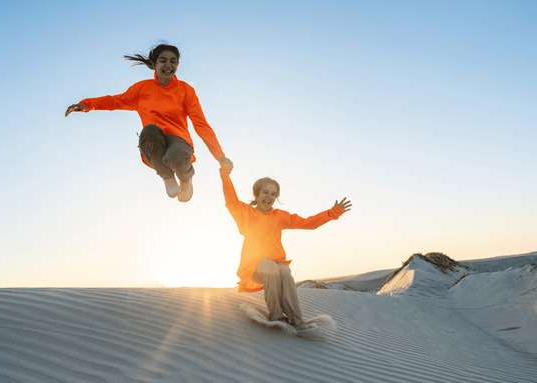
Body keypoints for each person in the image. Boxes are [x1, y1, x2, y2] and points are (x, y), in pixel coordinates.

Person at [65, 43, 233, 202]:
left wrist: (221, 157)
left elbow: (201, 125)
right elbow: (115, 101)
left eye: (173, 61)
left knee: (175, 155)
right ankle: (167, 176)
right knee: (149, 131)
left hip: (179, 142)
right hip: (154, 144)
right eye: (163, 60)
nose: (168, 65)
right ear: (154, 64)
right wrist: (87, 104)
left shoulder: (185, 90)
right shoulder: (142, 89)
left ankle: (185, 178)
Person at [219, 164, 352, 329]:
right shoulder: (244, 212)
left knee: (284, 272)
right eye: (265, 192)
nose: (269, 197)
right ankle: (276, 315)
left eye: (273, 194)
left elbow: (307, 223)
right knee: (271, 268)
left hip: (276, 264)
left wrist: (332, 213)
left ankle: (296, 320)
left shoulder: (279, 216)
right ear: (256, 194)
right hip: (254, 267)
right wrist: (225, 174)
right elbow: (230, 198)